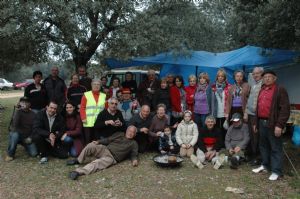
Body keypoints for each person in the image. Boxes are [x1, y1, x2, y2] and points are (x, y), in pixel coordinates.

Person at [252, 70, 290, 181]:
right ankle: (265, 165)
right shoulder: (262, 89)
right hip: (261, 122)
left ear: (275, 78)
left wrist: (280, 125)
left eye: (270, 77)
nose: (267, 78)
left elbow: (285, 109)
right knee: (263, 146)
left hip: (273, 123)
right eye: (265, 77)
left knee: (275, 147)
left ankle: (276, 171)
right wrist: (255, 122)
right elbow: (257, 107)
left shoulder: (279, 89)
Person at [67, 125, 139, 180]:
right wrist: (98, 141)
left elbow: (134, 154)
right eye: (129, 131)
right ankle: (78, 160)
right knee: (91, 145)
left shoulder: (134, 143)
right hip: (105, 149)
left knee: (97, 163)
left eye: (133, 132)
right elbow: (108, 140)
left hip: (112, 158)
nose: (130, 133)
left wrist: (134, 160)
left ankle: (78, 172)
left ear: (135, 134)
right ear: (126, 130)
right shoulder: (119, 134)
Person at [5, 97, 38, 161]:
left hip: (27, 137)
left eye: (26, 102)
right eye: (22, 102)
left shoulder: (33, 114)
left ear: (30, 104)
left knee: (34, 153)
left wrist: (31, 137)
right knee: (15, 135)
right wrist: (18, 111)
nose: (24, 103)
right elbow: (14, 126)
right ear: (19, 103)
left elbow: (35, 128)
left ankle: (24, 144)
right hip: (18, 135)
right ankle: (10, 154)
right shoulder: (18, 112)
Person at [244, 67, 264, 165]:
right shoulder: (253, 84)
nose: (255, 75)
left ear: (261, 74)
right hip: (250, 114)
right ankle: (252, 155)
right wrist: (246, 112)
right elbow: (249, 99)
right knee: (251, 136)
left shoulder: (263, 85)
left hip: (257, 115)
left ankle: (258, 157)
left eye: (257, 73)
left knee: (257, 136)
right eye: (254, 74)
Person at [80, 78, 106, 145]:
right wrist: (83, 118)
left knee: (97, 139)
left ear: (100, 86)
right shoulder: (86, 95)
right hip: (88, 121)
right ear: (91, 85)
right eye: (94, 84)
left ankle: (96, 153)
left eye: (98, 84)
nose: (96, 86)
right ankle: (87, 153)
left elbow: (106, 108)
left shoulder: (104, 96)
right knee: (88, 139)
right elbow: (82, 107)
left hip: (99, 122)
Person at [211, 69, 231, 145]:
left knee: (224, 129)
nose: (220, 78)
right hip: (215, 112)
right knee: (216, 129)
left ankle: (224, 145)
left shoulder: (229, 87)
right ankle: (217, 145)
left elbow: (229, 100)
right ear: (216, 77)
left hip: (224, 112)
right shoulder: (213, 86)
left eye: (222, 76)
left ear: (225, 77)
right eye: (219, 76)